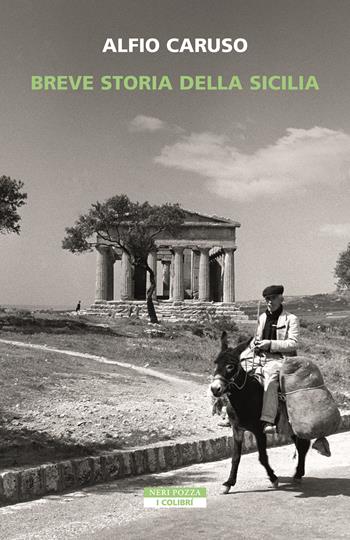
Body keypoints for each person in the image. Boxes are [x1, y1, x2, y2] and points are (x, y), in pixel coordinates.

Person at [252, 284, 299, 434]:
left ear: (281, 298)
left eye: (272, 298)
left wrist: (270, 344)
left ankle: (268, 420)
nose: (269, 302)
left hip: (281, 360)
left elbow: (293, 343)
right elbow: (257, 338)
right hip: (261, 357)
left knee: (271, 378)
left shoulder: (291, 319)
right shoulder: (262, 317)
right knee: (233, 371)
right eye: (267, 299)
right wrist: (256, 344)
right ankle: (231, 413)